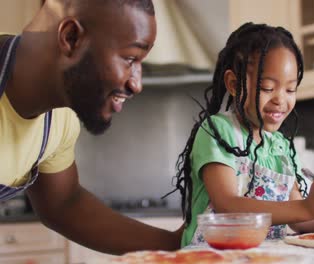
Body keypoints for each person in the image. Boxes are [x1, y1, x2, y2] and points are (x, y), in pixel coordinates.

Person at [165, 22, 314, 247]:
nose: (280, 99)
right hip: (209, 255)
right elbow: (227, 206)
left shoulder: (281, 147)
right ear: (234, 84)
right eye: (267, 88)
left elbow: (300, 220)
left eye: (290, 89)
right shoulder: (218, 131)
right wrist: (305, 207)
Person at [0, 0, 182, 255]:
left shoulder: (60, 120)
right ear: (71, 37)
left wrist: (178, 246)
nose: (136, 84)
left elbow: (64, 204)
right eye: (130, 58)